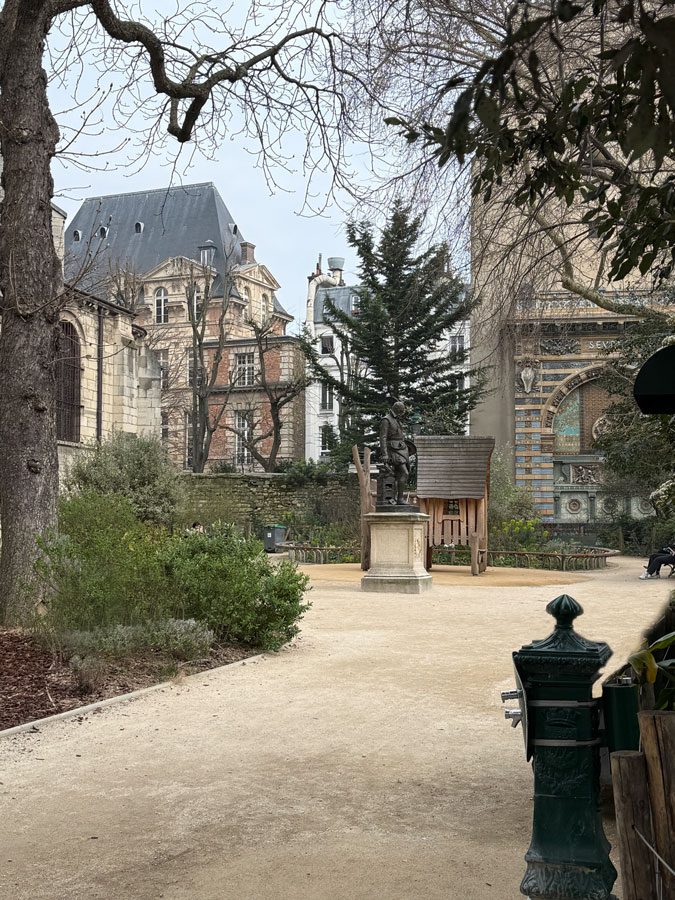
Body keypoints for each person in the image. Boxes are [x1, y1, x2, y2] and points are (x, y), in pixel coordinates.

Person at [379, 400, 416, 506]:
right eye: (401, 410)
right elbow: (383, 438)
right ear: (397, 409)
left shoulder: (397, 419)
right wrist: (385, 454)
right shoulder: (386, 420)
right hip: (393, 450)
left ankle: (396, 498)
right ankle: (399, 499)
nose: (403, 412)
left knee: (400, 474)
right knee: (405, 472)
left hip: (401, 449)